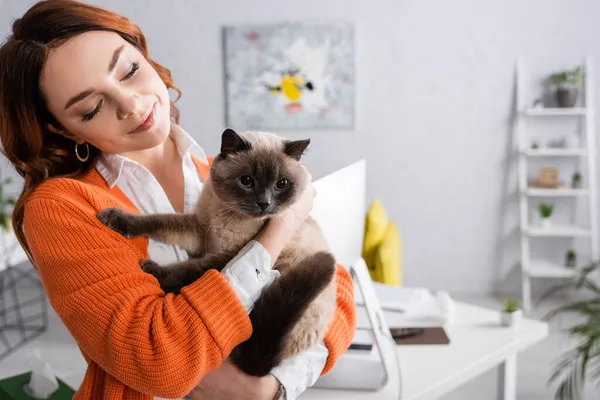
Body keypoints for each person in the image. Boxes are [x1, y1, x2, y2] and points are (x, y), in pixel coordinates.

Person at [0, 1, 357, 400]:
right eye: (92, 107)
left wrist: (275, 386)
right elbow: (157, 359)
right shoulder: (62, 206)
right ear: (63, 129)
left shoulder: (220, 174)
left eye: (130, 70)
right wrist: (280, 230)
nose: (133, 106)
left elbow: (340, 294)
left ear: (144, 53)